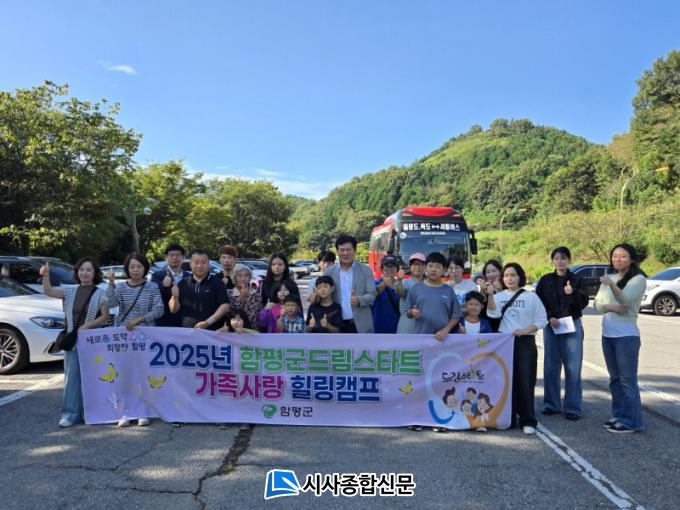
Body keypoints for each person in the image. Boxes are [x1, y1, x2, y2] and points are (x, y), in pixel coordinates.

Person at [40, 258, 110, 428]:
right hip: (72, 341)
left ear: (95, 273)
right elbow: (48, 291)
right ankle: (70, 414)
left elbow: (105, 316)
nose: (84, 273)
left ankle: (92, 413)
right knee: (71, 378)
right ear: (77, 272)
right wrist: (46, 276)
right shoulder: (69, 291)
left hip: (92, 341)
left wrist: (88, 325)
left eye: (89, 270)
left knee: (93, 377)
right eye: (81, 269)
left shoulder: (101, 293)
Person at [486, 262, 548, 435]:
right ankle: (509, 418)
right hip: (504, 343)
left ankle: (528, 420)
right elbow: (493, 313)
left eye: (513, 275)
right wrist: (490, 295)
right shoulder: (499, 296)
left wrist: (525, 330)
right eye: (506, 275)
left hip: (525, 342)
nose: (509, 278)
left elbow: (542, 320)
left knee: (525, 381)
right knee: (506, 380)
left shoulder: (531, 297)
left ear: (520, 277)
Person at [105, 253, 164, 428]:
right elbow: (109, 304)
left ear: (145, 268)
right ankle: (125, 411)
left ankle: (143, 410)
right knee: (124, 374)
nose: (135, 270)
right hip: (124, 337)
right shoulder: (121, 287)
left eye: (139, 266)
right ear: (127, 269)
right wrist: (111, 283)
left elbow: (159, 309)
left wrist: (140, 320)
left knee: (143, 374)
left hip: (146, 336)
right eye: (132, 267)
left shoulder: (152, 287)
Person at [593, 243, 647, 434]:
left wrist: (610, 285)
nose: (618, 259)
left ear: (631, 259)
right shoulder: (611, 278)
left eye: (623, 256)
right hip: (607, 334)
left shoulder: (638, 279)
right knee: (615, 379)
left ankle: (631, 421)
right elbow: (597, 305)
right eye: (615, 256)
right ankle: (619, 415)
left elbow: (625, 299)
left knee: (627, 380)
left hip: (626, 336)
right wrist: (611, 307)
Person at [535, 247, 589, 421]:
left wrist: (572, 294)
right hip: (552, 325)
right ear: (552, 261)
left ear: (569, 260)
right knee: (551, 366)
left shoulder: (577, 279)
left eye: (563, 258)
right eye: (557, 258)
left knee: (573, 367)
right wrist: (549, 316)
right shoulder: (545, 280)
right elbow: (539, 302)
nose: (560, 261)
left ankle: (573, 407)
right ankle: (552, 404)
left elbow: (583, 303)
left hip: (572, 324)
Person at [324, 234, 376, 333]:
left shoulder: (365, 271)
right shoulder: (329, 272)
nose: (345, 253)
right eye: (342, 250)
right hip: (335, 324)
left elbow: (372, 294)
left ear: (355, 250)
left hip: (359, 325)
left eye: (348, 250)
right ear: (337, 252)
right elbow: (323, 294)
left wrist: (360, 300)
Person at [405, 252, 462, 340]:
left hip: (443, 338)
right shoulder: (415, 289)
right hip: (421, 338)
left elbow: (456, 316)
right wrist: (412, 312)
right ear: (425, 268)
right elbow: (407, 313)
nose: (433, 269)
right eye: (430, 266)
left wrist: (445, 330)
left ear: (444, 270)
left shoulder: (449, 291)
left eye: (438, 267)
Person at [169, 249, 230, 330]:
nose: (199, 266)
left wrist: (207, 322)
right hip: (187, 331)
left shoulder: (217, 282)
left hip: (212, 332)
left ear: (209, 265)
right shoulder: (183, 283)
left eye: (203, 262)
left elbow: (225, 306)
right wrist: (175, 298)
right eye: (196, 262)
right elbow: (173, 310)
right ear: (190, 264)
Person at [151, 243, 191, 327]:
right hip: (164, 321)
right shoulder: (157, 275)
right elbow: (152, 296)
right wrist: (163, 285)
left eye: (178, 255)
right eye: (171, 255)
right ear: (166, 258)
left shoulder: (189, 276)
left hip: (184, 321)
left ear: (183, 258)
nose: (175, 258)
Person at [371, 255, 404, 334]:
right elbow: (373, 293)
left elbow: (402, 293)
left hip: (396, 327)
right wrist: (385, 283)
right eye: (387, 265)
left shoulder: (400, 284)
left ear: (397, 269)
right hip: (377, 327)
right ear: (382, 269)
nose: (389, 268)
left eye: (392, 266)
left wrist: (398, 280)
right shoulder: (375, 282)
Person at [396, 252, 426, 334]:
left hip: (424, 322)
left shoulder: (429, 283)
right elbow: (401, 293)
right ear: (410, 266)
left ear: (425, 266)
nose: (417, 267)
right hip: (407, 322)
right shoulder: (404, 282)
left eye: (420, 264)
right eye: (414, 264)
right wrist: (399, 280)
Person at [479, 259, 503, 332]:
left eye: (494, 271)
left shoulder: (507, 285)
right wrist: (482, 289)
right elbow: (481, 305)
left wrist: (500, 290)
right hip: (487, 325)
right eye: (488, 272)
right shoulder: (485, 287)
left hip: (502, 325)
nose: (491, 274)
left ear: (500, 271)